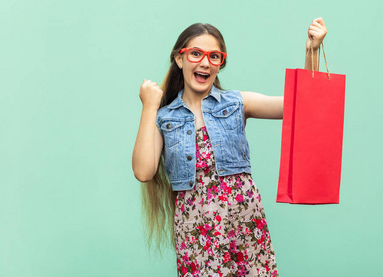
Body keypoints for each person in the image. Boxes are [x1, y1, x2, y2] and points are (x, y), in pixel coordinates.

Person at [132, 18, 327, 277]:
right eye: (196, 53)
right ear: (179, 59)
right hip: (196, 229)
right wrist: (149, 107)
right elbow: (143, 172)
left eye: (214, 56)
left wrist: (311, 51)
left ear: (220, 64)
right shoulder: (165, 118)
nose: (205, 62)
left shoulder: (237, 102)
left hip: (243, 220)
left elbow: (302, 105)